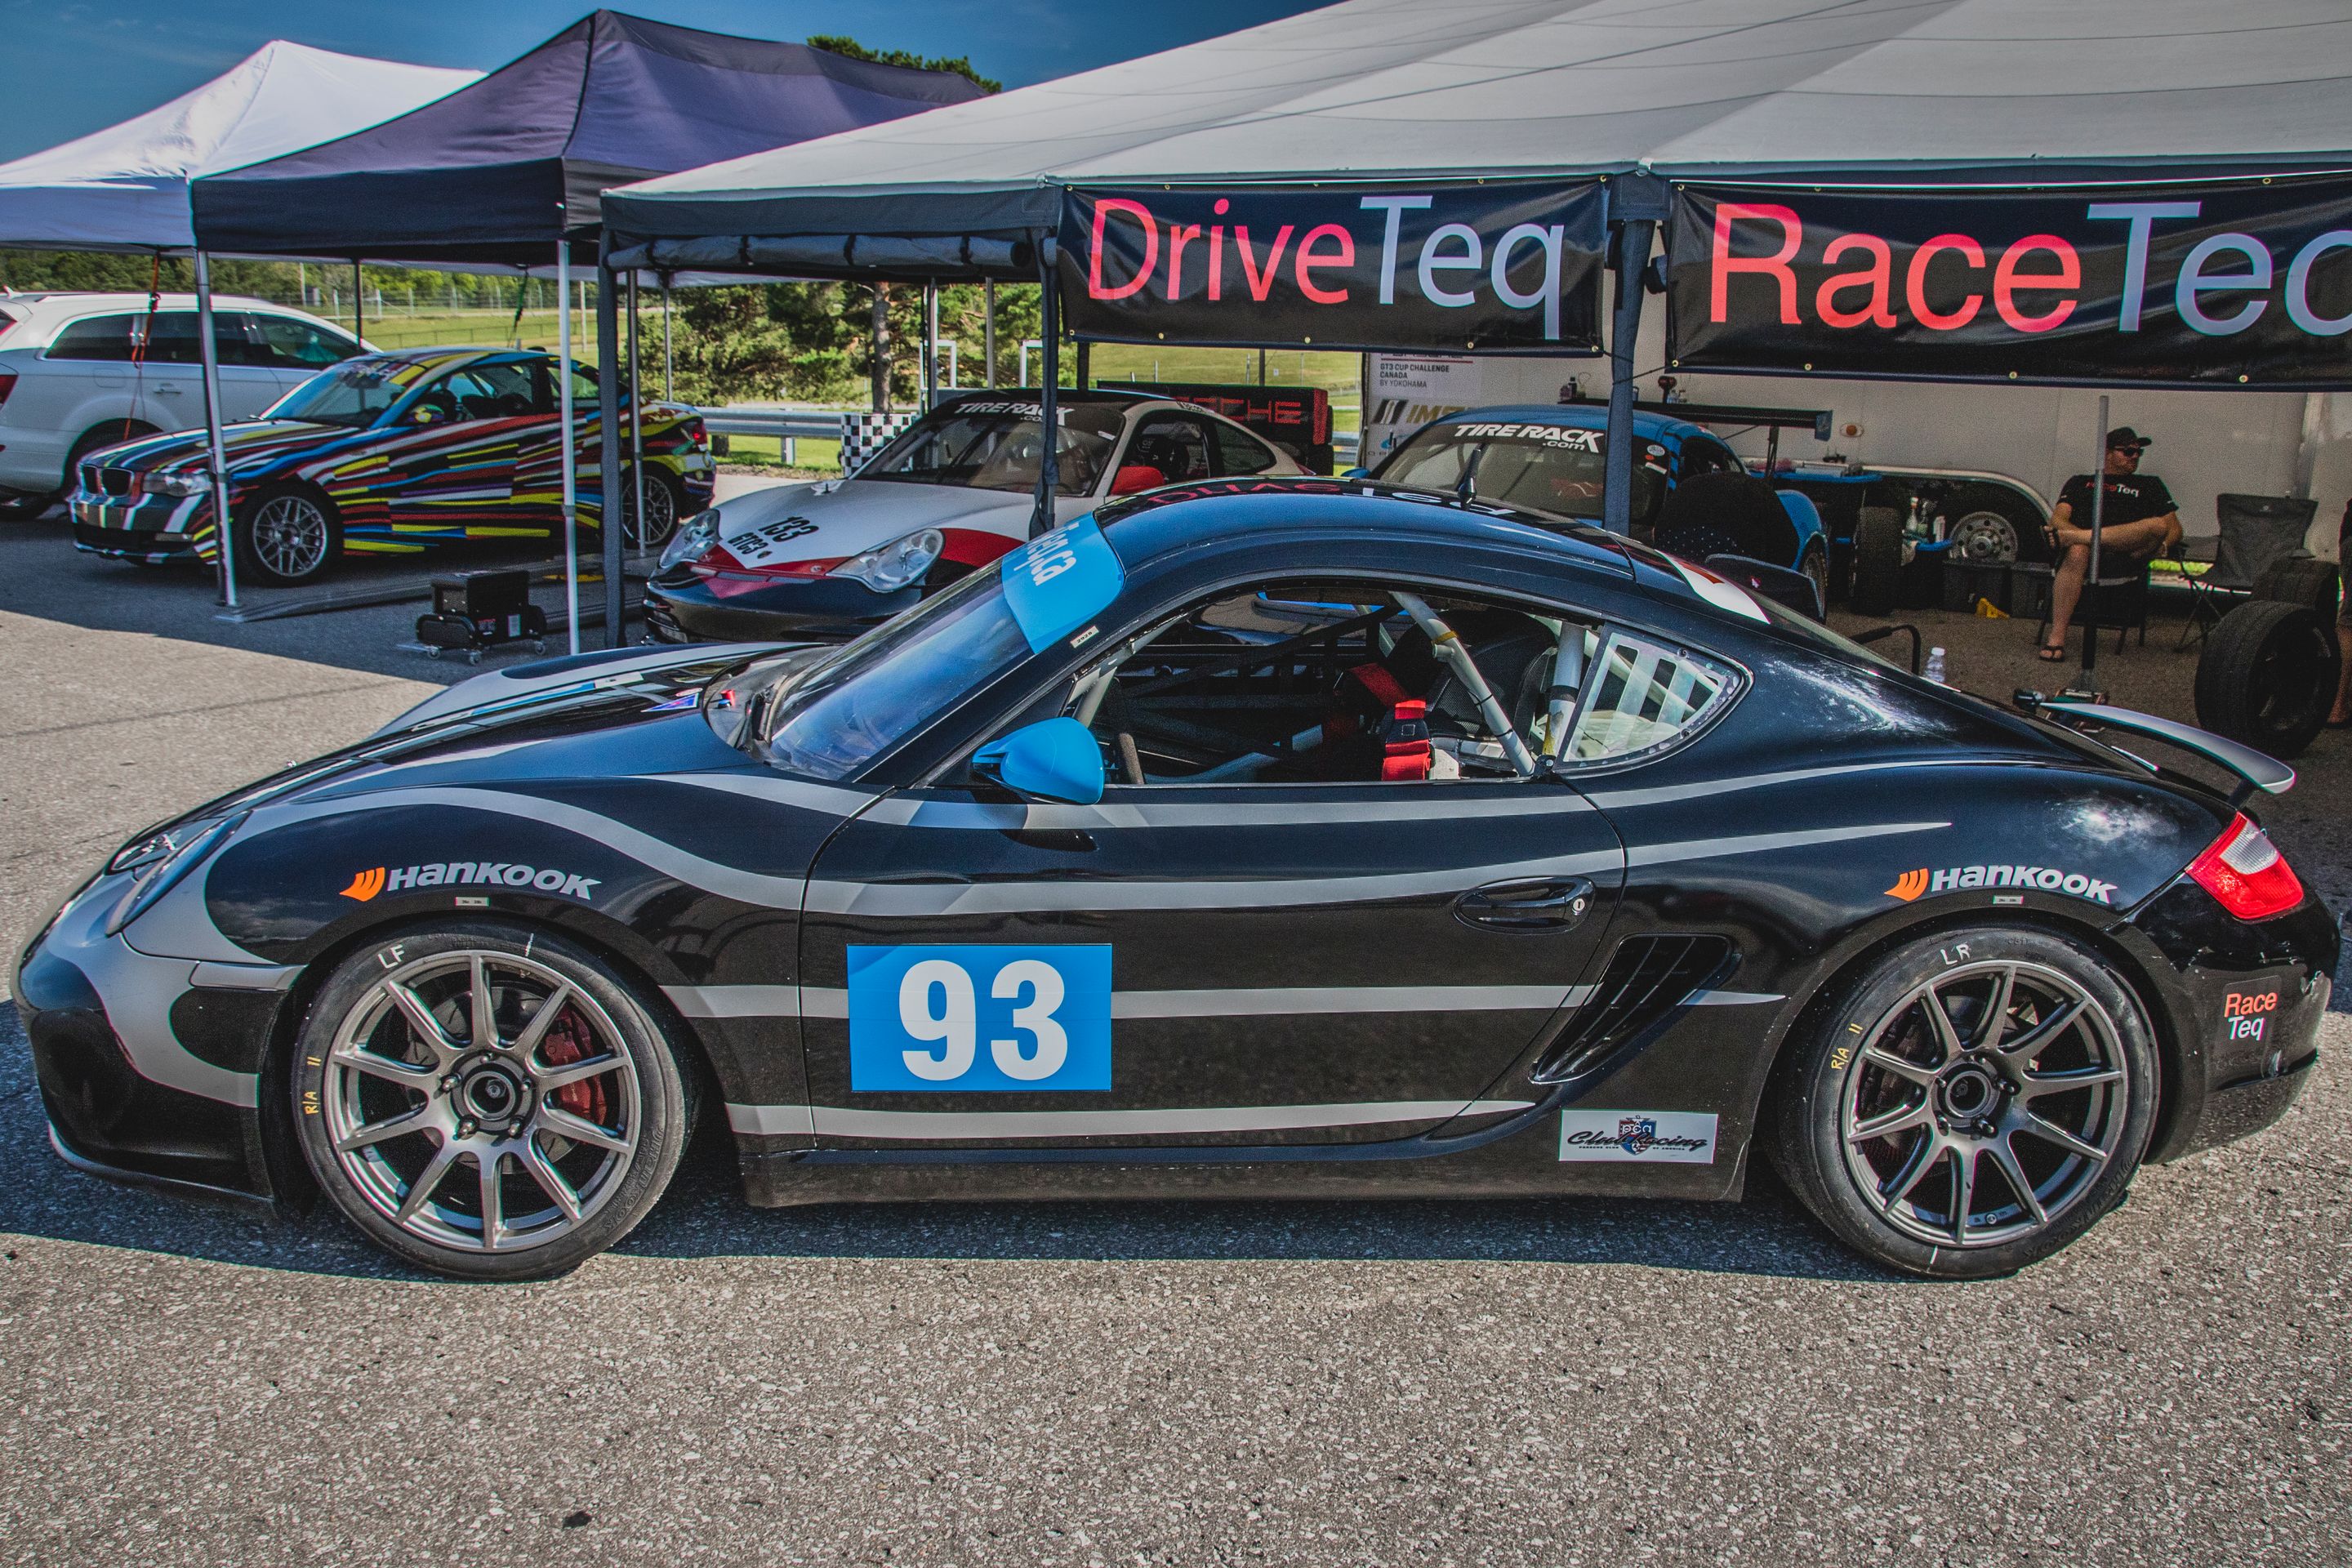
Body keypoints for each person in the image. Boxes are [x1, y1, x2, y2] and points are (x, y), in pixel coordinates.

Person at [2039, 427, 2180, 662]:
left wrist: (2163, 547)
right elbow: (2058, 520)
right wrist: (2092, 541)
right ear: (2106, 453)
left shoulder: (2150, 485)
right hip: (2086, 555)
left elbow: (2174, 528)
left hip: (2128, 554)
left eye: (2138, 452)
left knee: (2156, 525)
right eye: (2128, 451)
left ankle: (2085, 539)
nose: (2135, 457)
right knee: (2077, 551)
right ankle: (2056, 638)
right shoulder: (2080, 482)